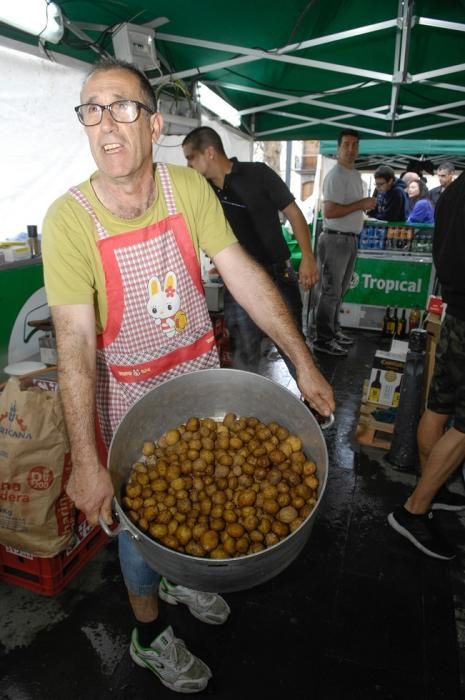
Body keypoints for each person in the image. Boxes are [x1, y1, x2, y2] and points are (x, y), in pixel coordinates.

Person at [41, 58, 335, 694]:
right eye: (91, 110)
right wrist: (86, 461)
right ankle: (148, 636)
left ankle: (175, 580)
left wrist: (302, 361)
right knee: (137, 527)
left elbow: (243, 275)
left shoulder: (187, 189)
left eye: (121, 108)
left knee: (178, 527)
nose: (106, 125)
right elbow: (73, 344)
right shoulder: (69, 220)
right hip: (129, 397)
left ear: (152, 124)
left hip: (199, 379)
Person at [181, 126, 318, 380]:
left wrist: (308, 258)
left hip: (278, 274)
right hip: (239, 281)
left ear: (209, 152)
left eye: (190, 157)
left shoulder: (258, 173)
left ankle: (315, 410)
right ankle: (246, 414)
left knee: (294, 348)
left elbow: (294, 213)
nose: (187, 165)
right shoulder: (204, 192)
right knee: (244, 355)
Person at [388, 170, 465, 560]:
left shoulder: (453, 190)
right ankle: (415, 508)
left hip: (456, 315)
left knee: (439, 408)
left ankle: (431, 489)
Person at [313, 129, 376, 356]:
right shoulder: (336, 175)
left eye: (355, 145)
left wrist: (361, 207)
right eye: (347, 144)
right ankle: (323, 339)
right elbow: (329, 211)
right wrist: (361, 204)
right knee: (331, 291)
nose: (351, 149)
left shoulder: (353, 174)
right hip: (335, 239)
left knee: (338, 291)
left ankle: (332, 331)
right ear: (338, 147)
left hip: (346, 239)